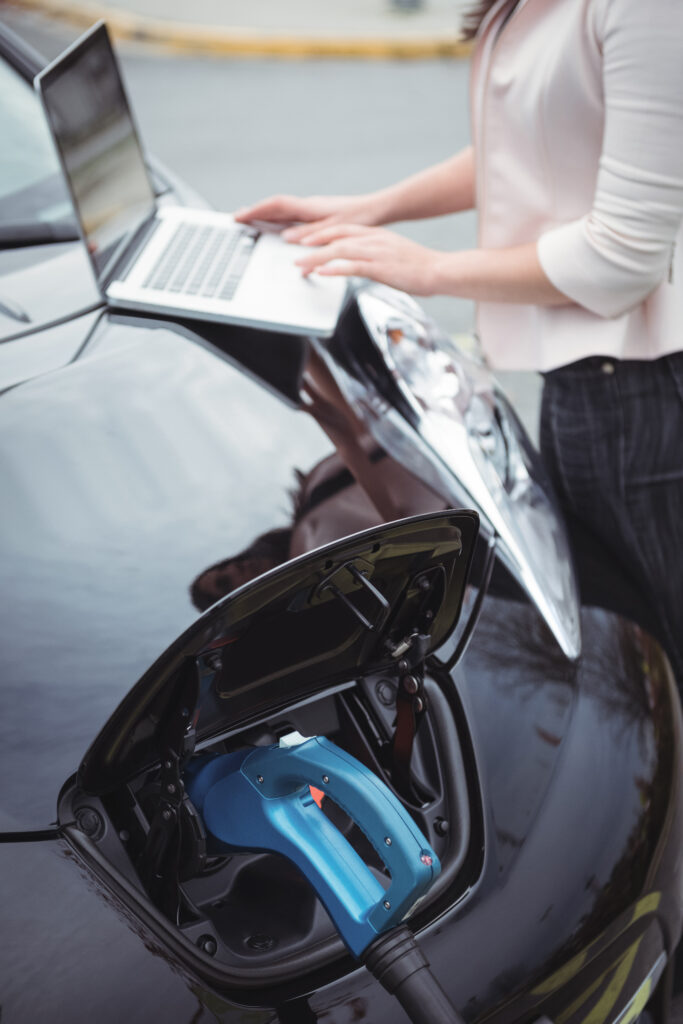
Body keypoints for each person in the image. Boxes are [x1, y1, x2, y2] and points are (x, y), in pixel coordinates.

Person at [236, 0, 683, 691]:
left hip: (646, 392)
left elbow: (621, 258)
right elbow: (532, 147)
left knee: (654, 657)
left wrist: (428, 269)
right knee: (627, 651)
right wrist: (362, 210)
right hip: (589, 382)